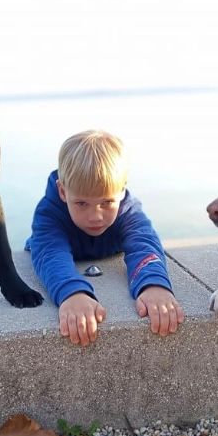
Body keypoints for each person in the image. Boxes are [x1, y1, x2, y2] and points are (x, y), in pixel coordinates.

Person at [26, 130, 185, 346]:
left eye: (107, 203)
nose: (95, 216)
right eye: (82, 204)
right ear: (63, 192)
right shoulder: (49, 212)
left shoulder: (128, 211)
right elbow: (50, 253)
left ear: (121, 190)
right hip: (59, 247)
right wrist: (72, 293)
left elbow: (144, 244)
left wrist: (153, 284)